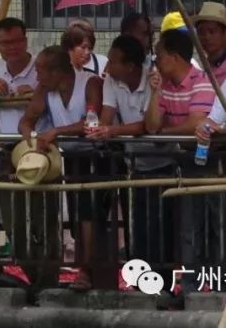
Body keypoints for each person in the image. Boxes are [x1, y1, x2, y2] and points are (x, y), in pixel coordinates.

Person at [0, 17, 58, 300]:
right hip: (6, 150)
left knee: (44, 220)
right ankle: (36, 280)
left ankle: (48, 282)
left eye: (16, 41)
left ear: (25, 39)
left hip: (39, 151)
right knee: (14, 221)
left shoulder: (41, 69)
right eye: (5, 43)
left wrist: (36, 94)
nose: (11, 47)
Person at [19, 45, 104, 292]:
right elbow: (26, 120)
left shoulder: (90, 83)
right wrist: (32, 141)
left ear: (57, 72)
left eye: (40, 72)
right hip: (70, 158)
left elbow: (92, 121)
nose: (37, 78)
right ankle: (83, 266)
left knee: (89, 214)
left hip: (97, 155)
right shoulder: (45, 89)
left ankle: (87, 270)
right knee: (79, 216)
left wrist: (56, 131)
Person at [144, 29, 215, 309]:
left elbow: (196, 123)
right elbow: (151, 125)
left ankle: (203, 287)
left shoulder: (202, 82)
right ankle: (188, 288)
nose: (156, 62)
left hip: (205, 165)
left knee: (204, 228)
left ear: (173, 57)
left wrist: (168, 131)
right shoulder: (166, 85)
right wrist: (155, 92)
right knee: (184, 230)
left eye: (159, 56)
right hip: (178, 166)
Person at [89, 34, 167, 264]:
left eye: (113, 61)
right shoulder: (111, 81)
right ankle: (140, 265)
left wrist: (112, 131)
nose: (108, 65)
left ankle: (163, 269)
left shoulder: (152, 79)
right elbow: (107, 115)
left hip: (164, 159)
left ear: (131, 66)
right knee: (138, 220)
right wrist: (98, 128)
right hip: (134, 161)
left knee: (161, 223)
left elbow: (147, 125)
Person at [193, 1, 226, 86]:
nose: (206, 37)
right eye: (201, 32)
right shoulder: (203, 68)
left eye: (212, 31)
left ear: (225, 33)